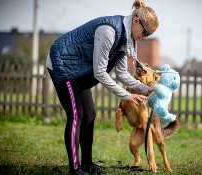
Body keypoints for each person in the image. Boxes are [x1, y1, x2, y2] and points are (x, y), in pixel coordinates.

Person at [46, 0, 159, 174]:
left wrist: (147, 90)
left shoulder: (128, 39)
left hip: (80, 71)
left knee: (90, 113)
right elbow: (100, 72)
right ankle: (75, 168)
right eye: (145, 32)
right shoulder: (109, 31)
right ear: (136, 21)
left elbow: (122, 74)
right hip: (63, 64)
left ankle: (87, 164)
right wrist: (127, 96)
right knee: (77, 115)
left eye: (149, 35)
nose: (145, 38)